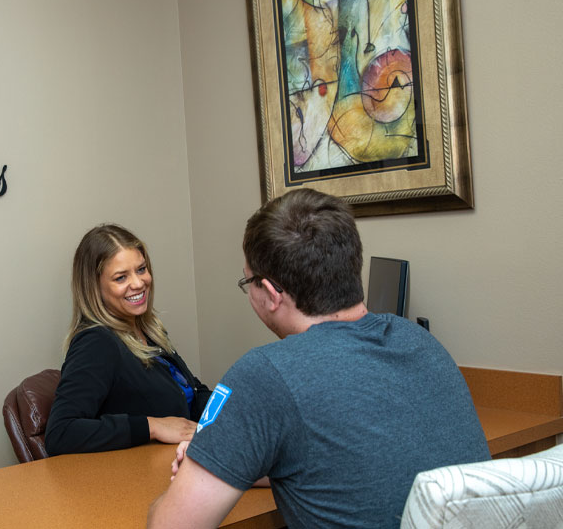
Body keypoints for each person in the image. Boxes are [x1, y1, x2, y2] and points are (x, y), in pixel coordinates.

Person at [148, 189, 490, 528]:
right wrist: (235, 457)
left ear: (270, 294)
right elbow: (354, 461)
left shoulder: (265, 374)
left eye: (248, 281)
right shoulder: (420, 341)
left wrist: (199, 465)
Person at [45, 224, 211, 456]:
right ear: (95, 287)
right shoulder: (96, 343)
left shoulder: (149, 330)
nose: (138, 283)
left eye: (141, 269)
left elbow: (191, 391)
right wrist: (152, 426)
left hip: (184, 462)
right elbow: (60, 433)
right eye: (121, 277)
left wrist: (227, 415)